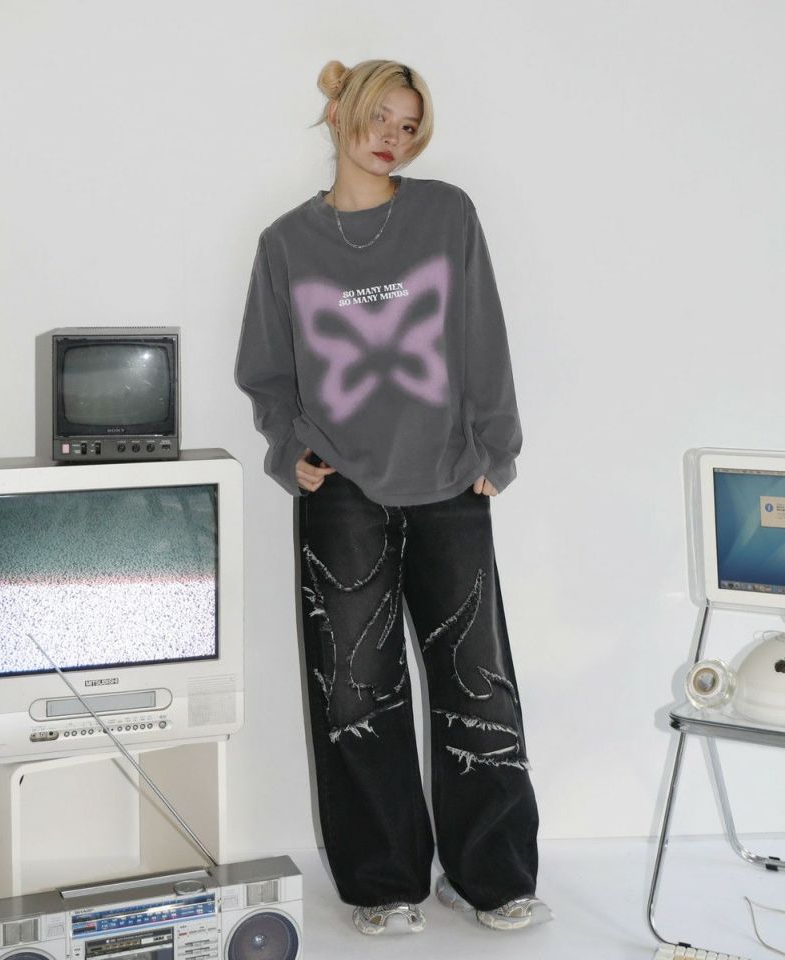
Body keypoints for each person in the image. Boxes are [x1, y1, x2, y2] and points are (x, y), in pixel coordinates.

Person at [235, 58, 551, 937]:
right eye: (380, 118)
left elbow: (482, 333)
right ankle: (383, 883)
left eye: (409, 126)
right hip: (340, 486)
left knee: (477, 683)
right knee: (354, 692)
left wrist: (497, 445)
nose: (393, 139)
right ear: (340, 113)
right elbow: (267, 372)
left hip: (451, 476)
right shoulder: (285, 244)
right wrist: (290, 448)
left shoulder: (446, 214)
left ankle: (491, 877)